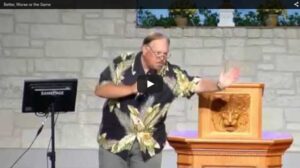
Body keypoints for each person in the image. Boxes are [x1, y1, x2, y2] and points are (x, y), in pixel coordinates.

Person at [95, 32, 240, 168]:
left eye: (165, 54)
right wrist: (131, 89)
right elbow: (101, 89)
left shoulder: (171, 75)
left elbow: (195, 84)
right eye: (158, 53)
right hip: (114, 141)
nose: (162, 58)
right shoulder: (123, 63)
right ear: (145, 49)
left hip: (148, 147)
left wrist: (219, 84)